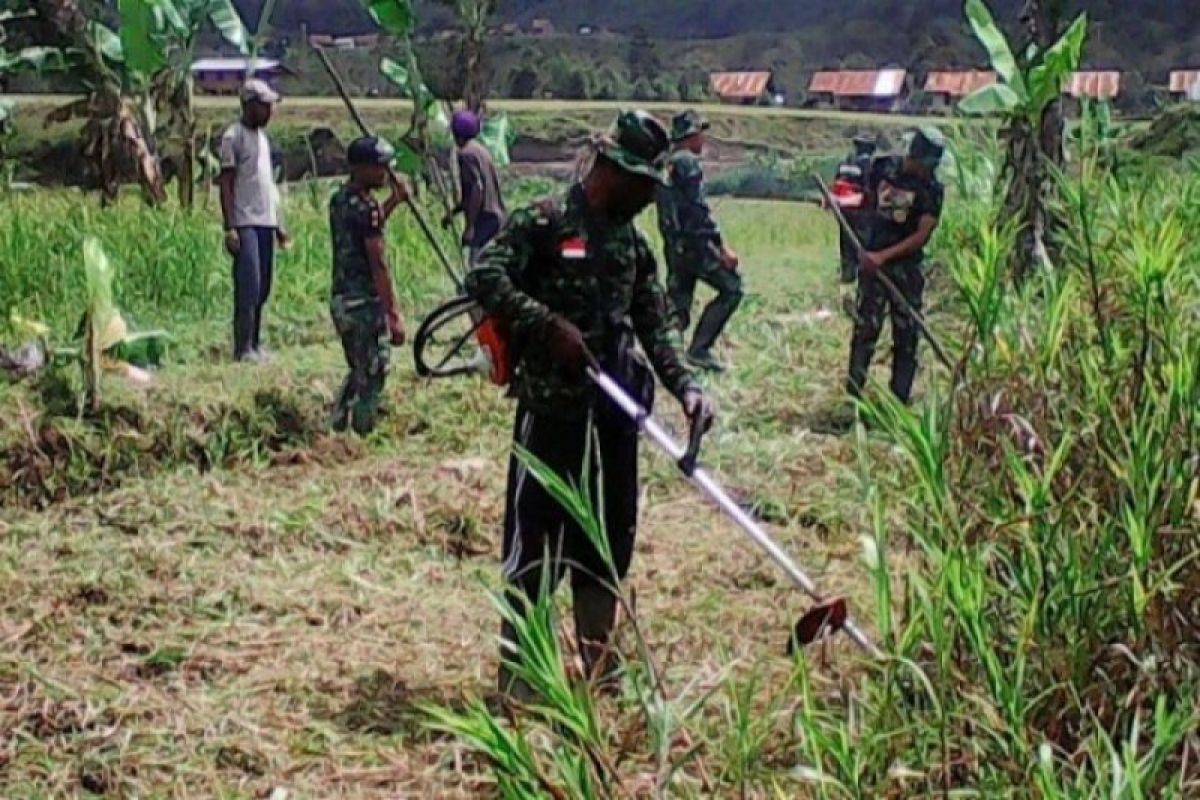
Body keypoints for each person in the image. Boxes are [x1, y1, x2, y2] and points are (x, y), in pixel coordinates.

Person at [466, 110, 714, 700]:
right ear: (609, 171)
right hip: (553, 412)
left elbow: (656, 326)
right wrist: (547, 325)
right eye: (640, 186)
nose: (648, 199)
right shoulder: (545, 223)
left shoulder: (633, 245)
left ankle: (600, 668)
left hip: (615, 415)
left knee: (604, 543)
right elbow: (485, 276)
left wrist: (687, 388)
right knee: (535, 545)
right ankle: (521, 678)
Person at [847, 127, 945, 404]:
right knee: (866, 329)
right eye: (924, 164)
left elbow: (921, 235)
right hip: (871, 264)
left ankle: (899, 400)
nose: (927, 171)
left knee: (906, 334)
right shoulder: (883, 168)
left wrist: (885, 257)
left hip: (905, 270)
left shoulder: (932, 190)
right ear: (912, 156)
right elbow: (863, 201)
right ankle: (854, 395)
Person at [328, 136, 409, 435]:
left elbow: (367, 227)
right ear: (361, 168)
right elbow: (378, 262)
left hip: (342, 298)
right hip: (363, 301)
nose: (385, 174)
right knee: (374, 370)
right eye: (380, 167)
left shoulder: (340, 200)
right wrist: (393, 313)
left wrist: (392, 203)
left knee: (358, 368)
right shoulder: (366, 207)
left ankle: (338, 425)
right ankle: (363, 430)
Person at [656, 110, 742, 373]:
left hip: (675, 245)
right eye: (701, 133)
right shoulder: (686, 163)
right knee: (732, 289)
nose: (704, 139)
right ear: (691, 135)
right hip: (697, 245)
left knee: (678, 302)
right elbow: (698, 210)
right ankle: (699, 350)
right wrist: (720, 247)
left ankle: (668, 356)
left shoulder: (666, 164)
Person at [219, 79, 291, 363]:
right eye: (265, 106)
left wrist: (279, 223)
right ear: (249, 106)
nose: (270, 112)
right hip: (245, 220)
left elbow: (268, 185)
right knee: (248, 285)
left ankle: (256, 343)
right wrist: (230, 226)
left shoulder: (263, 139)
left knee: (263, 286)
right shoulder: (232, 137)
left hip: (265, 221)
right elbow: (226, 184)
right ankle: (243, 347)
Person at [446, 109, 507, 264]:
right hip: (496, 216)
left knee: (478, 266)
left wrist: (470, 227)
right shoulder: (480, 150)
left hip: (485, 218)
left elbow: (477, 189)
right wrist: (454, 213)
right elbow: (470, 193)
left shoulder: (466, 154)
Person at [832, 133, 878, 285]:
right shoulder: (869, 166)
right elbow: (868, 194)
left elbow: (837, 186)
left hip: (844, 211)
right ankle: (856, 285)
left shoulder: (844, 164)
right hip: (862, 215)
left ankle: (847, 281)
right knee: (861, 252)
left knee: (847, 251)